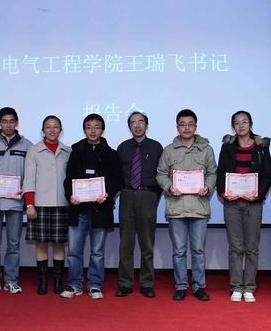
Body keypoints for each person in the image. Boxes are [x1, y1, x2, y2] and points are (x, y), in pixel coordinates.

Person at [156, 109, 217, 302]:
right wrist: (169, 187)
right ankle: (181, 285)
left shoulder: (206, 149)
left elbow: (213, 173)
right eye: (182, 124)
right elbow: (160, 173)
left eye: (190, 124)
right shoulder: (169, 150)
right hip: (176, 207)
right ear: (177, 127)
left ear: (195, 126)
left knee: (198, 251)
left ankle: (199, 286)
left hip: (199, 207)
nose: (186, 128)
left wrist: (207, 187)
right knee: (179, 251)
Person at [60, 114, 122, 299]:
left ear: (102, 130)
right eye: (89, 127)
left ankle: (95, 285)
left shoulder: (111, 154)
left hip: (100, 210)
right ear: (84, 130)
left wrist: (107, 194)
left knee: (97, 252)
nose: (93, 131)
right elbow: (68, 180)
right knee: (74, 251)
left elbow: (118, 180)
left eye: (96, 127)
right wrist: (71, 196)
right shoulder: (76, 151)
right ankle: (74, 285)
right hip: (78, 209)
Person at [216, 110, 271, 303]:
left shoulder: (261, 147)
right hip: (232, 203)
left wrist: (258, 194)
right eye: (237, 123)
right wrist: (223, 192)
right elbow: (221, 173)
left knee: (252, 247)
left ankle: (249, 287)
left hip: (253, 203)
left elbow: (267, 175)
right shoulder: (227, 147)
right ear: (233, 127)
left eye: (244, 122)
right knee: (235, 247)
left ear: (250, 124)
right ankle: (236, 286)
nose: (241, 125)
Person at [0, 107, 32, 294]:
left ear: (16, 123)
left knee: (13, 244)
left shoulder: (27, 145)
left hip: (15, 202)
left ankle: (11, 280)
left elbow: (30, 175)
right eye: (4, 121)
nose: (8, 125)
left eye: (11, 121)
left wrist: (24, 191)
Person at [115, 112, 163, 298]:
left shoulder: (156, 147)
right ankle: (125, 283)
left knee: (147, 244)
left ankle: (147, 283)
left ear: (146, 125)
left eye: (141, 122)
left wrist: (153, 196)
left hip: (147, 195)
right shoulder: (123, 147)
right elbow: (118, 175)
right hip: (127, 195)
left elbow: (162, 174)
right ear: (129, 127)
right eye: (133, 123)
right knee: (125, 244)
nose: (137, 125)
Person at [22, 115, 72, 295]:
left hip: (62, 204)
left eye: (55, 127)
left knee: (59, 244)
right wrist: (29, 204)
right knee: (41, 244)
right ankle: (42, 281)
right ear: (43, 130)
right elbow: (29, 179)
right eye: (48, 127)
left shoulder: (68, 151)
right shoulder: (33, 151)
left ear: (60, 130)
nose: (52, 130)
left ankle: (58, 282)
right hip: (40, 204)